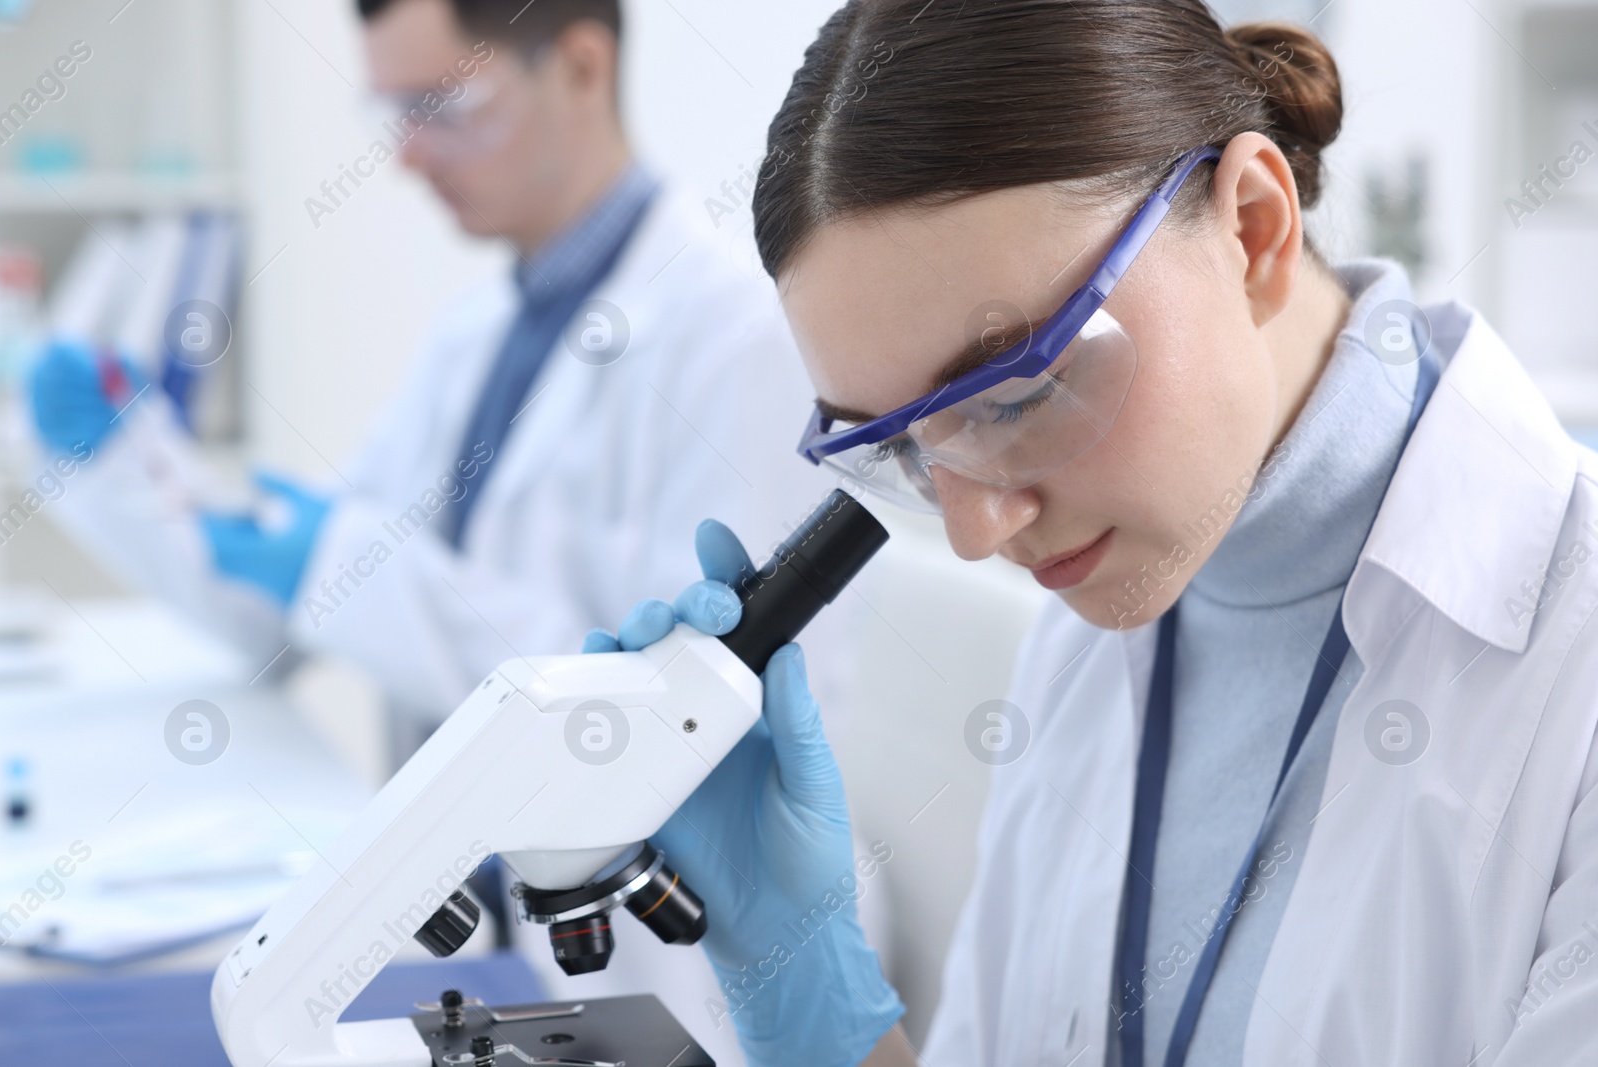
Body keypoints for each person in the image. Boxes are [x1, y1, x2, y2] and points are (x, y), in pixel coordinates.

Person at [596, 1, 1598, 1064]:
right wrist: (802, 978)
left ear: (1253, 228)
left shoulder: (1566, 668)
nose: (981, 531)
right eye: (904, 447)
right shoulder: (1099, 617)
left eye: (1018, 392)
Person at [26, 2, 853, 1062]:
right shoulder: (475, 335)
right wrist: (127, 463)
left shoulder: (737, 338)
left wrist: (341, 562)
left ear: (582, 67)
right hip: (461, 939)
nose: (408, 156)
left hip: (638, 970)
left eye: (442, 107)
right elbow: (274, 624)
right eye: (392, 111)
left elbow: (669, 716)